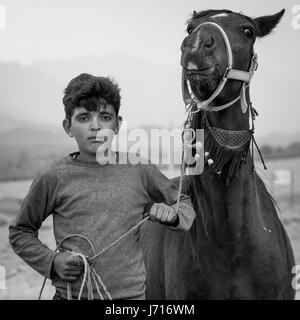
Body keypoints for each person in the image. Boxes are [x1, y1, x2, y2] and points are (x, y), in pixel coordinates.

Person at [9, 73, 196, 300]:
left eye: (105, 117)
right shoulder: (53, 177)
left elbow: (184, 204)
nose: (96, 126)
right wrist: (52, 261)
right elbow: (21, 232)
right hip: (72, 296)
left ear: (117, 125)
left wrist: (173, 216)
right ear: (68, 127)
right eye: (84, 118)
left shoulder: (139, 169)